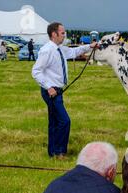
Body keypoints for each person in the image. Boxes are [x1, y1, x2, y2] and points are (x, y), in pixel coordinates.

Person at [32, 22, 98, 159]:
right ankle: (60, 152)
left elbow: (74, 52)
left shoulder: (59, 48)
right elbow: (36, 71)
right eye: (62, 33)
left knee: (55, 122)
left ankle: (53, 152)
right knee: (64, 121)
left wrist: (89, 46)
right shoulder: (47, 50)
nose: (64, 35)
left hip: (57, 91)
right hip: (51, 91)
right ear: (54, 34)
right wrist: (48, 87)